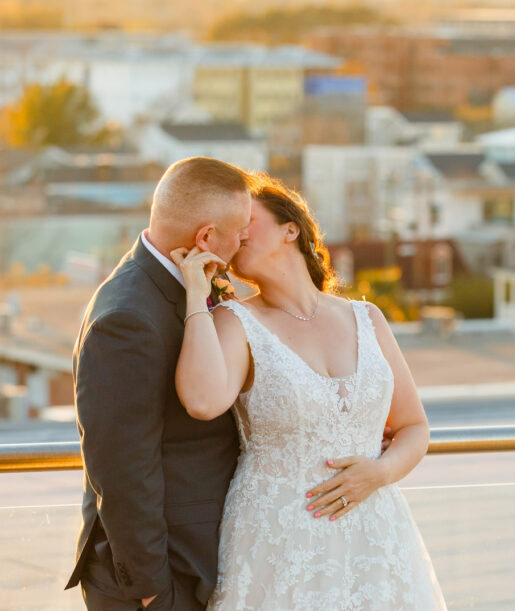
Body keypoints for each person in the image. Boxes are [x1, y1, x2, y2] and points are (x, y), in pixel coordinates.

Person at [172, 173, 446, 609]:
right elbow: (203, 402)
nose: (236, 233)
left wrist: (381, 472)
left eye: (248, 220)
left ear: (290, 228)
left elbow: (414, 427)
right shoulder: (234, 321)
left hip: (376, 536)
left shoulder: (368, 318)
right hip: (280, 544)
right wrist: (195, 296)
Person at [67, 157, 253, 610]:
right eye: (241, 228)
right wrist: (153, 592)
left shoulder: (180, 281)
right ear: (206, 237)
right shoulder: (128, 318)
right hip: (159, 580)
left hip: (193, 564)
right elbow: (121, 471)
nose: (246, 237)